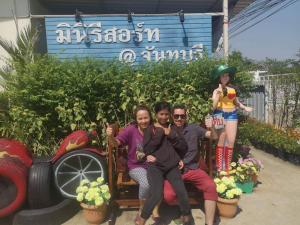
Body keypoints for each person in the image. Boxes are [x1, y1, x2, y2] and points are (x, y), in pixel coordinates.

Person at [138, 102, 194, 225]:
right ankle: (141, 220)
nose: (164, 117)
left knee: (181, 191)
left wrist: (171, 134)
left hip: (171, 166)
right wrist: (160, 134)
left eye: (166, 114)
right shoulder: (150, 129)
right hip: (156, 167)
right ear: (156, 114)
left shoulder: (174, 128)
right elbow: (147, 149)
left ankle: (186, 216)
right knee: (156, 194)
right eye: (161, 114)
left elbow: (183, 146)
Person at [163, 104, 218, 225]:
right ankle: (182, 208)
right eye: (176, 116)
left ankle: (209, 223)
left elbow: (213, 137)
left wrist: (211, 127)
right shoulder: (166, 130)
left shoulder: (194, 128)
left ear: (186, 116)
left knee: (211, 186)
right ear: (172, 116)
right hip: (173, 171)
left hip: (192, 168)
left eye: (182, 116)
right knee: (168, 196)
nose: (179, 119)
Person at [106, 105, 159, 224]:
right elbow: (116, 144)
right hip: (136, 166)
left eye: (146, 117)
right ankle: (142, 209)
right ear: (136, 119)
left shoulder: (155, 130)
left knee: (161, 179)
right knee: (145, 183)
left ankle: (156, 208)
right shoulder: (131, 130)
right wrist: (110, 137)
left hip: (153, 166)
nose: (143, 121)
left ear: (150, 117)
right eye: (140, 118)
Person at [211, 65, 253, 173]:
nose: (225, 77)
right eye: (223, 76)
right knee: (220, 140)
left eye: (227, 75)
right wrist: (218, 94)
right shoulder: (216, 91)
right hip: (218, 115)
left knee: (230, 141)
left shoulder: (232, 90)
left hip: (232, 115)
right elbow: (213, 107)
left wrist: (244, 107)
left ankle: (227, 167)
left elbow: (236, 102)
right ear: (219, 78)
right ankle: (220, 167)